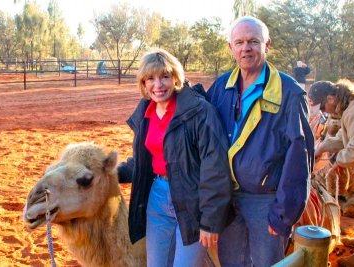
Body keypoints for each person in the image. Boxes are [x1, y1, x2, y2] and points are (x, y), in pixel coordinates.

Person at [206, 16, 314, 266]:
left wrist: (283, 214)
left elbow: (299, 157)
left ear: (268, 45)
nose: (246, 48)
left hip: (266, 204)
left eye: (254, 41)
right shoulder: (221, 87)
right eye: (240, 42)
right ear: (230, 47)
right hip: (227, 200)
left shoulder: (289, 92)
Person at [117, 48, 233, 267]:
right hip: (157, 197)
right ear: (143, 83)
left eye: (165, 77)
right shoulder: (145, 113)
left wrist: (209, 220)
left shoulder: (200, 111)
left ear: (176, 78)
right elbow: (145, 160)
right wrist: (113, 173)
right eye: (150, 78)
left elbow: (215, 166)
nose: (158, 85)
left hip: (193, 200)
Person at [310, 80, 354, 267]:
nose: (325, 111)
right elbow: (343, 137)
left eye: (323, 106)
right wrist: (319, 149)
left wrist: (338, 162)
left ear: (331, 98)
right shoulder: (353, 100)